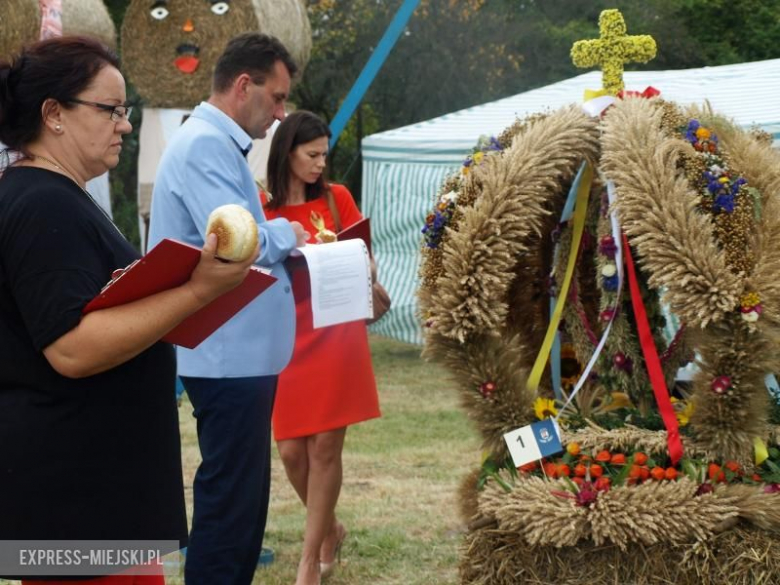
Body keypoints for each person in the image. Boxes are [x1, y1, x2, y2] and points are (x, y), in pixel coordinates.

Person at [0, 36, 258, 584]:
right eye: (110, 109)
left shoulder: (53, 195)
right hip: (79, 500)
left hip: (90, 495)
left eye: (126, 110)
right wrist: (196, 292)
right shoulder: (42, 201)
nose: (125, 124)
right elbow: (71, 347)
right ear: (55, 114)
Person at [147, 33, 308, 585]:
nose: (281, 113)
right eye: (278, 98)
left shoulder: (214, 143)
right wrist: (290, 230)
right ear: (245, 85)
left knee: (240, 505)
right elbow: (238, 241)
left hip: (234, 352)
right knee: (230, 508)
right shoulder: (206, 146)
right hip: (225, 353)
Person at [264, 110, 381, 585]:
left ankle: (311, 558)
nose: (319, 164)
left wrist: (367, 269)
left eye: (324, 155)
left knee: (326, 448)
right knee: (292, 452)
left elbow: (363, 252)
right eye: (311, 155)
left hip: (337, 329)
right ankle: (330, 526)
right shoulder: (262, 206)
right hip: (286, 331)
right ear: (287, 153)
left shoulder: (336, 199)